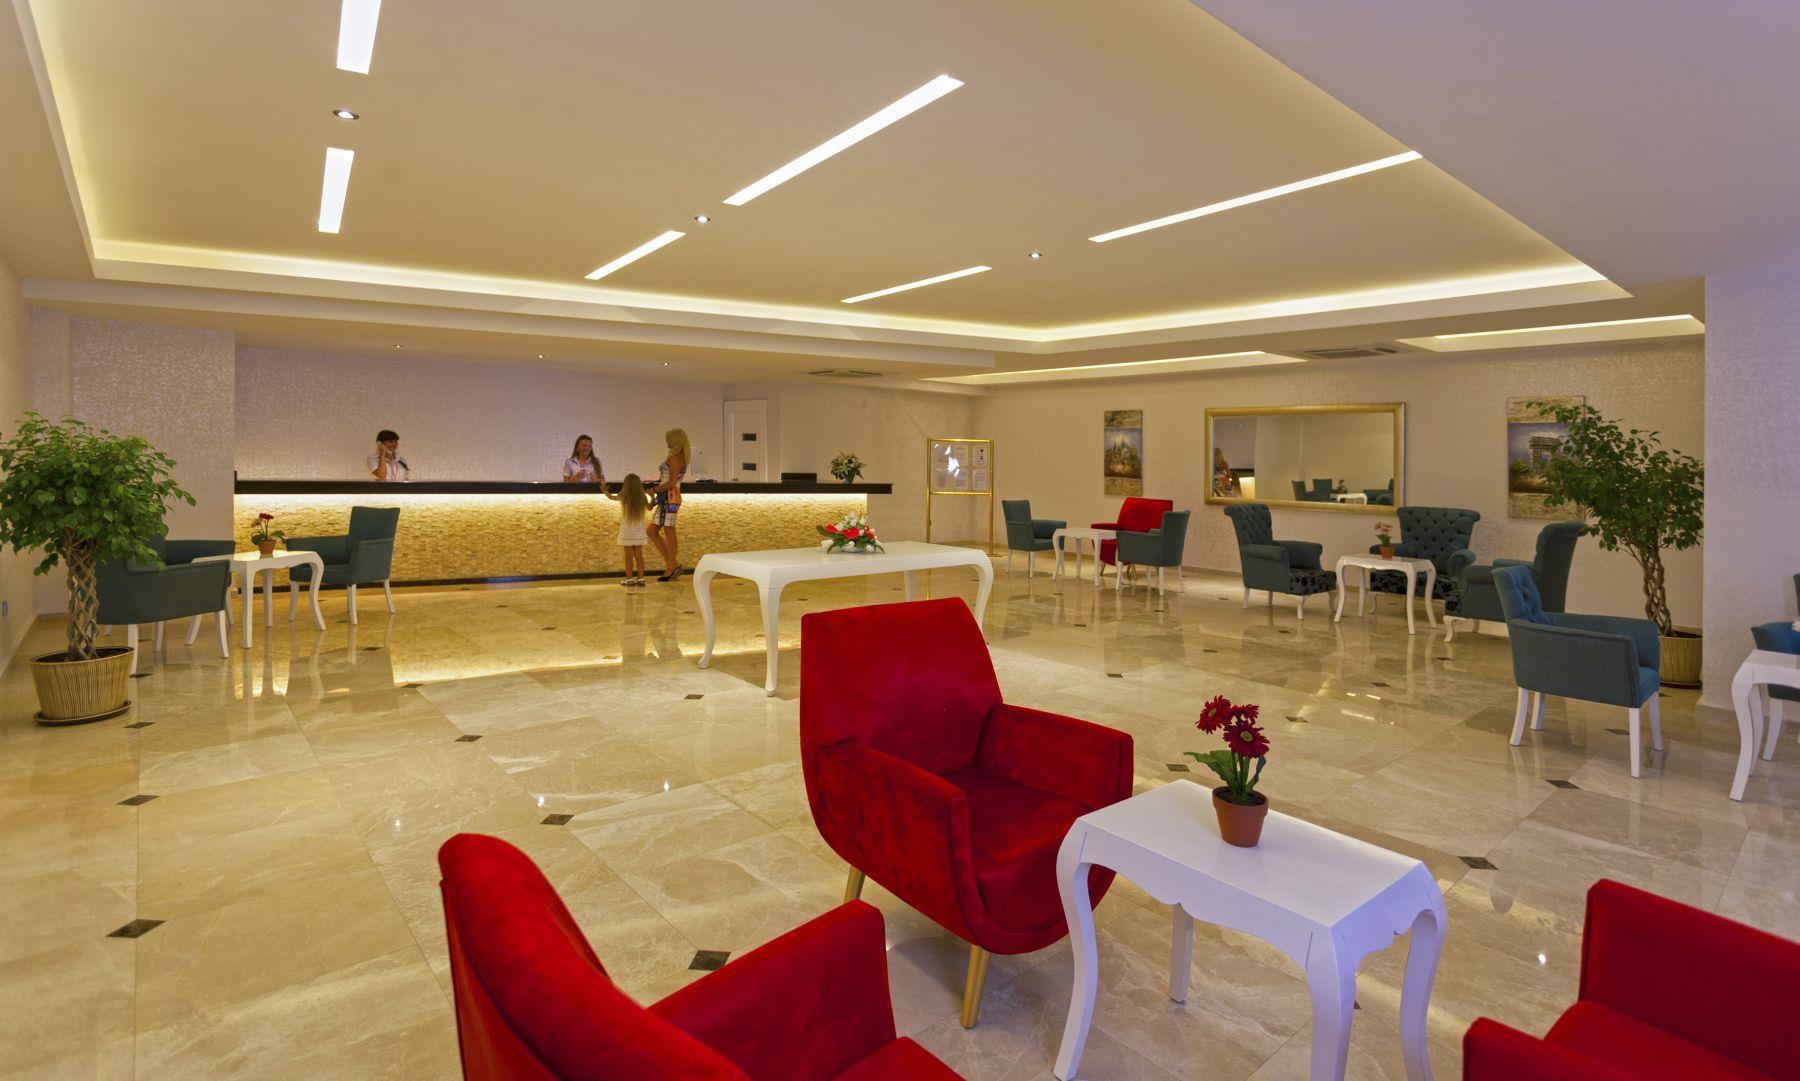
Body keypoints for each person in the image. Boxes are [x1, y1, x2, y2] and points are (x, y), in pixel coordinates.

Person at [645, 427, 689, 581]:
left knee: (668, 531)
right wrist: (657, 483)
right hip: (670, 496)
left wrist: (655, 489)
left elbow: (671, 482)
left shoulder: (675, 457)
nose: (667, 443)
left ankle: (671, 567)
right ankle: (672, 565)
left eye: (668, 441)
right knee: (653, 531)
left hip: (669, 496)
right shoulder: (680, 456)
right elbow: (669, 479)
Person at [602, 473, 650, 587]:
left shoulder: (624, 495)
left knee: (628, 555)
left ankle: (629, 579)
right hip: (639, 530)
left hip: (627, 529)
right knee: (639, 555)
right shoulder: (642, 496)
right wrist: (652, 496)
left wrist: (604, 490)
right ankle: (641, 578)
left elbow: (611, 497)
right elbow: (649, 507)